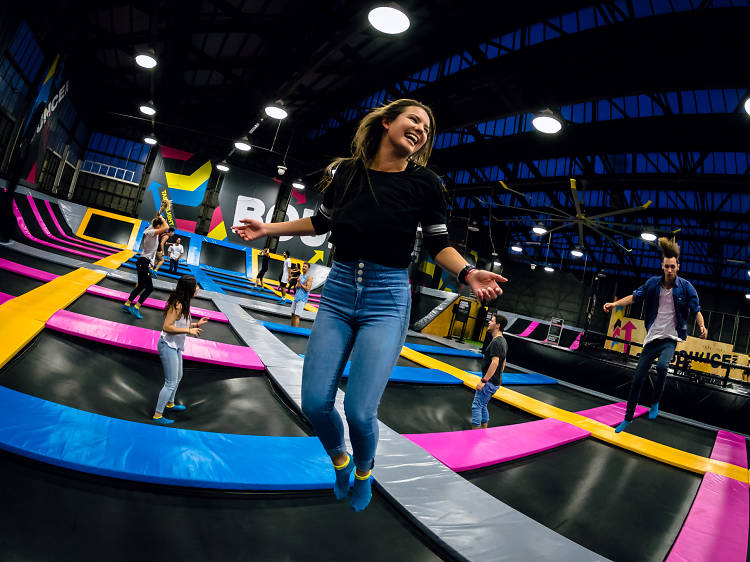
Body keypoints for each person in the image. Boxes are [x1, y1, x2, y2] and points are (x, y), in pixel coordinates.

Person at [233, 98, 506, 512]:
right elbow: (321, 223)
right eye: (414, 119)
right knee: (314, 403)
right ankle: (340, 460)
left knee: (361, 412)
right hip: (340, 292)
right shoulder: (346, 173)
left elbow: (437, 244)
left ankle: (364, 470)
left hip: (388, 298)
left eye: (427, 129)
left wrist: (469, 273)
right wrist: (267, 226)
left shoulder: (425, 183)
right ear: (386, 122)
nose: (421, 130)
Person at [603, 237, 707, 433]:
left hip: (670, 338)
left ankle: (655, 402)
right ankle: (627, 418)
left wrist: (702, 326)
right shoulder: (652, 284)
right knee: (638, 379)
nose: (669, 270)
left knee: (662, 366)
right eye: (666, 267)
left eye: (673, 267)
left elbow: (696, 310)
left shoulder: (686, 287)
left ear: (678, 266)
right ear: (662, 266)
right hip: (652, 338)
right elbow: (634, 297)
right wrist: (615, 304)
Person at [152, 275, 209, 425]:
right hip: (167, 345)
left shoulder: (185, 303)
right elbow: (167, 327)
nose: (198, 288)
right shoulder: (177, 304)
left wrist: (196, 325)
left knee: (179, 376)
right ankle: (157, 415)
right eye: (196, 286)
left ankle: (170, 403)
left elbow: (180, 324)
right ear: (189, 289)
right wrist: (188, 331)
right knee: (170, 382)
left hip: (175, 346)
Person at [123, 202, 170, 319]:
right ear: (158, 227)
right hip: (143, 262)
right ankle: (136, 307)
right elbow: (167, 227)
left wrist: (161, 210)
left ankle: (127, 303)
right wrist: (162, 219)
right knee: (149, 288)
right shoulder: (151, 233)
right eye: (161, 227)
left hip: (143, 262)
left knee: (140, 286)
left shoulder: (150, 228)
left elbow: (156, 218)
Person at [471, 313, 508, 429]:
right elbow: (503, 362)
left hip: (489, 382)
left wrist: (484, 380)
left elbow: (495, 363)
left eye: (491, 321)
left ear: (497, 325)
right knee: (483, 405)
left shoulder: (497, 342)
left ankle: (474, 434)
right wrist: (498, 377)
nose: (489, 322)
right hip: (496, 381)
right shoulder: (503, 341)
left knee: (476, 406)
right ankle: (483, 431)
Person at [290, 262, 312, 327]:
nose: (303, 268)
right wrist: (298, 285)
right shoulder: (300, 276)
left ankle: (295, 331)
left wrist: (301, 284)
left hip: (302, 299)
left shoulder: (309, 277)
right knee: (292, 314)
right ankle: (292, 329)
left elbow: (307, 289)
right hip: (296, 297)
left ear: (308, 269)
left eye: (305, 267)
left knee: (297, 316)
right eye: (303, 266)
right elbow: (296, 287)